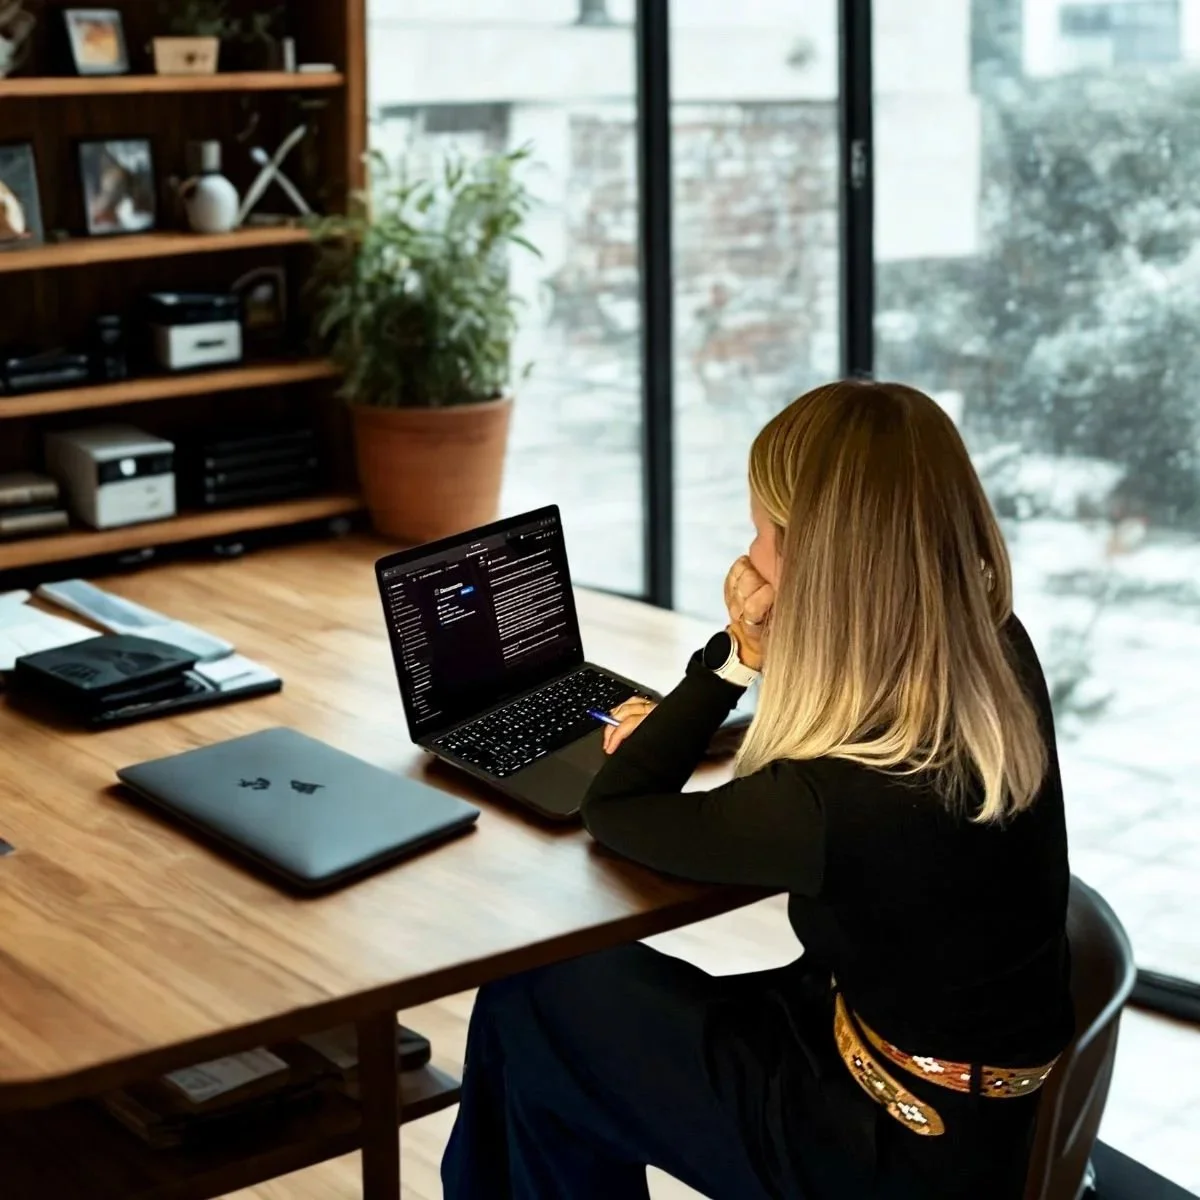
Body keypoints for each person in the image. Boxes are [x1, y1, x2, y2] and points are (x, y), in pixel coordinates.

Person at [441, 379, 1073, 1200]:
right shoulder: (988, 651)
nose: (749, 555)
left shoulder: (838, 799)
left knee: (533, 1002)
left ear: (825, 558)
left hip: (884, 1142)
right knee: (547, 1033)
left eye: (764, 532)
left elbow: (619, 809)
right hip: (930, 1081)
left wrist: (737, 654)